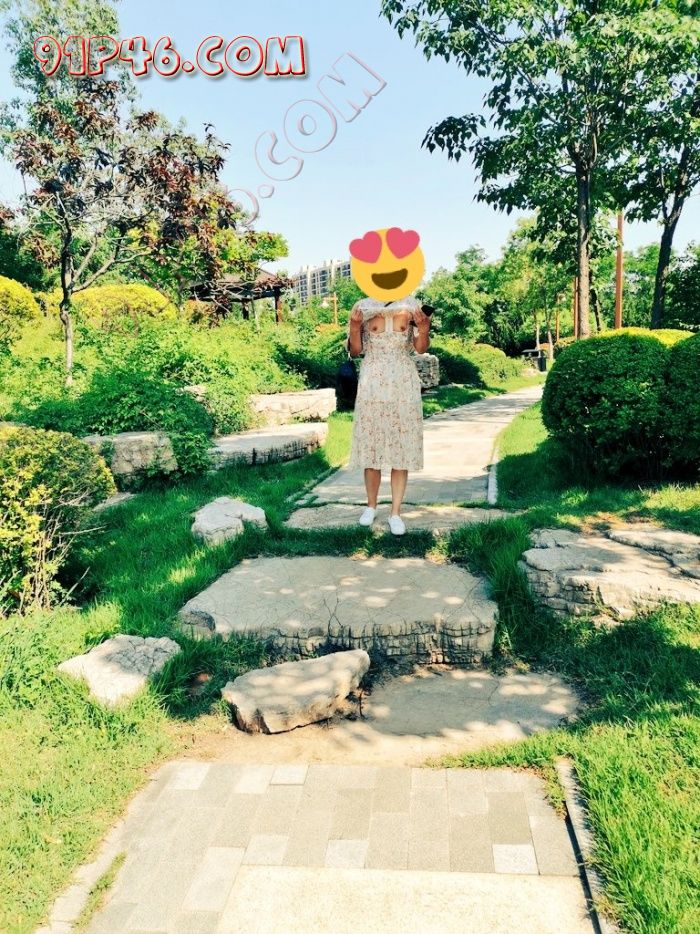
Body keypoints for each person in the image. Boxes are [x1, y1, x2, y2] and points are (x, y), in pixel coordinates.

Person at [346, 296, 431, 535]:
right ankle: (371, 506)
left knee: (400, 447)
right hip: (372, 381)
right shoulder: (362, 306)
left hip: (403, 381)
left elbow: (421, 348)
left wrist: (424, 329)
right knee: (372, 444)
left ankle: (395, 512)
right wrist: (354, 326)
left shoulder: (411, 306)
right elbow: (355, 351)